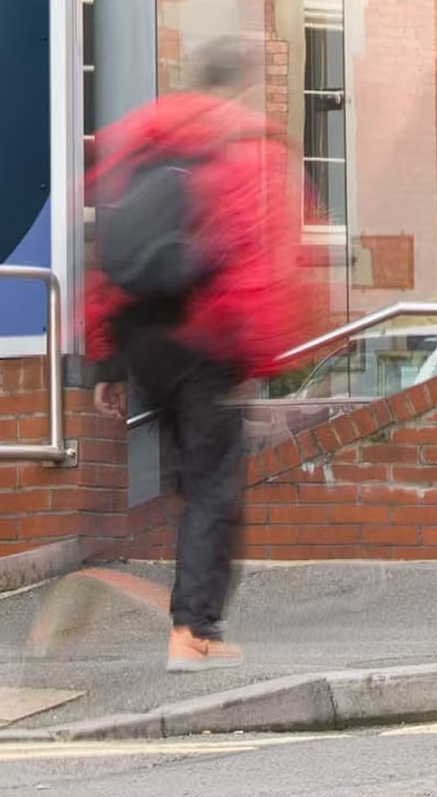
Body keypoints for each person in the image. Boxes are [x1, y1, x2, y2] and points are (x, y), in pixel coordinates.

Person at [86, 38, 313, 672]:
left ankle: (191, 621)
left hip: (144, 342)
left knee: (192, 487)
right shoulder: (242, 147)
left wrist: (107, 361)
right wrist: (258, 355)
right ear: (238, 85)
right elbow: (255, 254)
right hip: (205, 341)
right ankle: (194, 632)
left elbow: (106, 253)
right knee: (216, 490)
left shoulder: (142, 141)